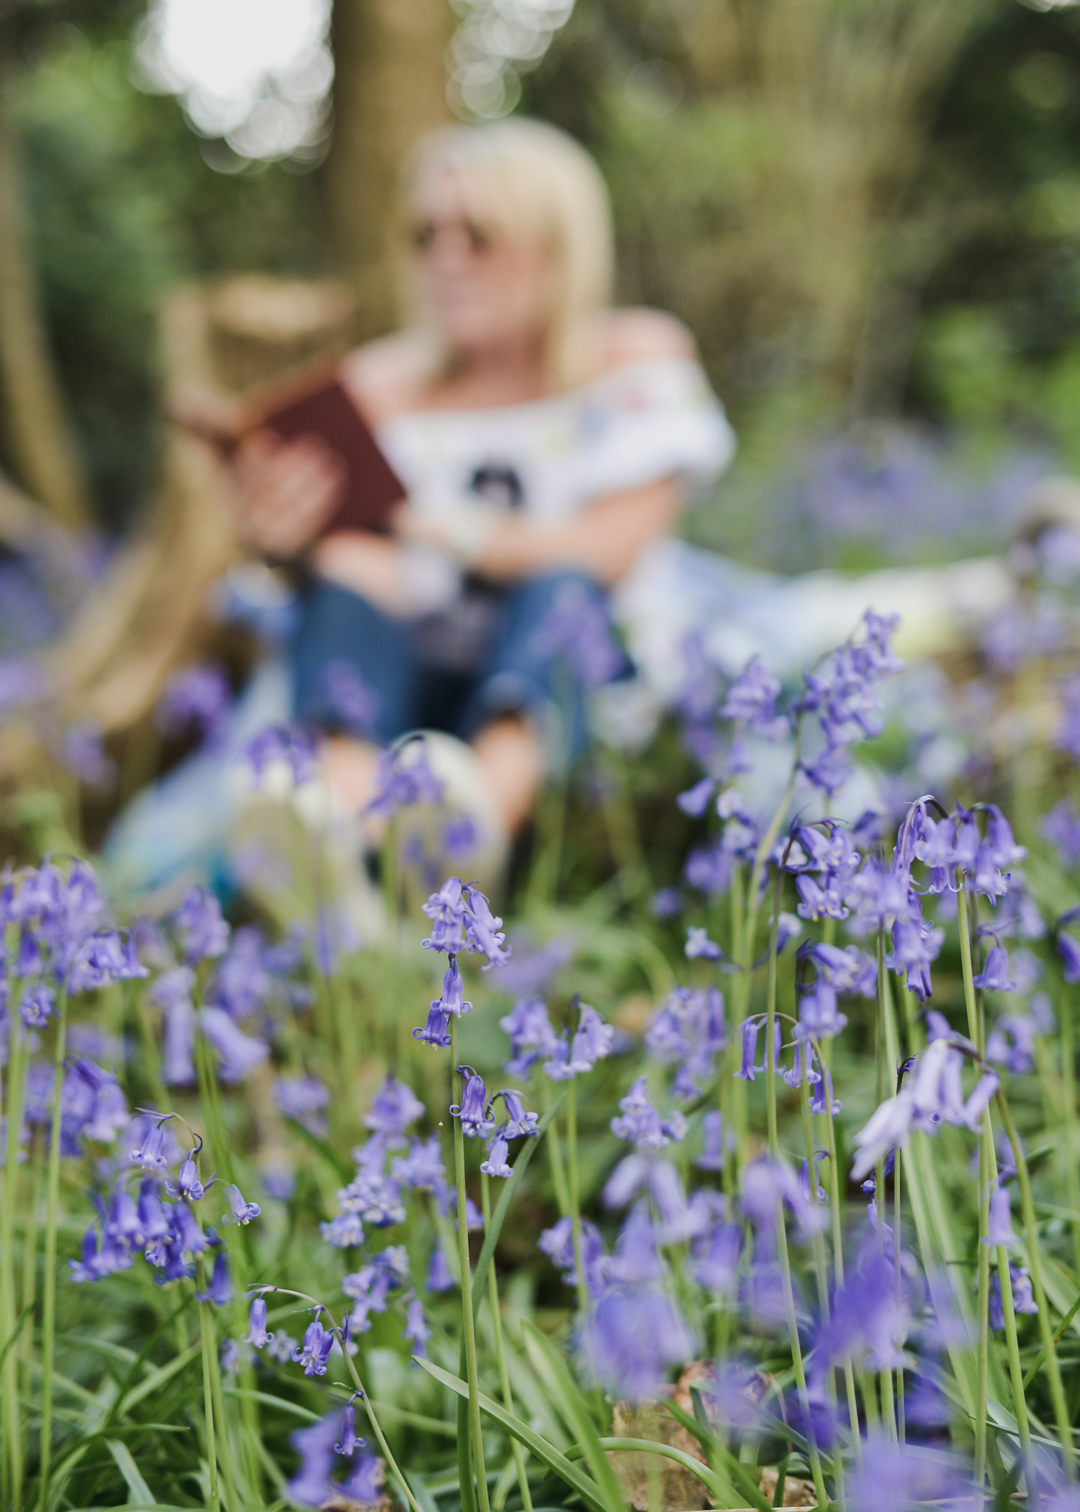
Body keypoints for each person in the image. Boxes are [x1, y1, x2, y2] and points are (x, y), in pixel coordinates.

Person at [228, 117, 734, 849]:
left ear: (558, 246)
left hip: (571, 690)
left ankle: (465, 838)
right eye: (425, 235)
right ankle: (339, 822)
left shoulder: (633, 357)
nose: (447, 258)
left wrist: (443, 530)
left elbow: (609, 551)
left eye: (480, 234)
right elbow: (368, 575)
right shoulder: (371, 384)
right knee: (338, 596)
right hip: (411, 668)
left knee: (562, 588)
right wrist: (288, 542)